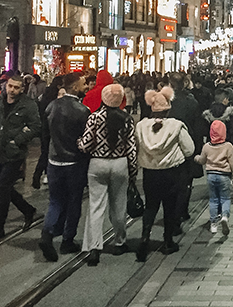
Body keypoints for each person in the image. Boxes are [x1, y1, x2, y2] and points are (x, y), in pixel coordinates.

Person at [77, 83, 138, 266]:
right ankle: (119, 242)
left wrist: (78, 142)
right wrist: (133, 172)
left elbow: (85, 145)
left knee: (96, 206)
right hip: (120, 164)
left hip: (98, 163)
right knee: (119, 205)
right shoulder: (127, 119)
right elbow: (132, 149)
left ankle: (94, 247)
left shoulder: (94, 118)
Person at [135, 87, 194, 261]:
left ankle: (144, 238)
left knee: (150, 206)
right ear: (168, 108)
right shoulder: (176, 126)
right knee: (169, 207)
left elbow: (136, 147)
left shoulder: (142, 126)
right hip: (171, 173)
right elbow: (189, 149)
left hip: (150, 173)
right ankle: (167, 241)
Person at [39, 72, 91, 261]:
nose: (86, 86)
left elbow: (45, 134)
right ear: (75, 87)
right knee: (74, 201)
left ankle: (47, 233)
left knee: (55, 200)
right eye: (83, 83)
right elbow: (86, 139)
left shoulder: (52, 106)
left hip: (54, 160)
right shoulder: (82, 110)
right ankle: (68, 240)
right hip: (74, 162)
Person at [0, 75, 40, 239]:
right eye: (10, 86)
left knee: (2, 187)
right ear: (5, 86)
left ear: (22, 89)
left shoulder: (28, 105)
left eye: (16, 87)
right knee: (5, 187)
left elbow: (36, 126)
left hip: (15, 153)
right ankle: (28, 209)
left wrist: (18, 140)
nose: (12, 90)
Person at [167, 72, 203, 225]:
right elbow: (197, 126)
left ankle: (173, 211)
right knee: (185, 180)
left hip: (168, 144)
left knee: (170, 180)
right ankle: (182, 211)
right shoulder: (191, 101)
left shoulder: (165, 101)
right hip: (188, 144)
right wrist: (198, 149)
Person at [195, 120, 233, 235]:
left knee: (213, 200)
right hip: (224, 176)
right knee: (225, 198)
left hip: (211, 176)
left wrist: (196, 158)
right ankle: (224, 216)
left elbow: (202, 160)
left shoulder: (206, 147)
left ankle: (213, 224)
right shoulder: (228, 146)